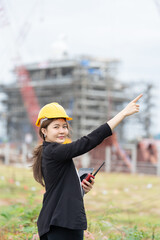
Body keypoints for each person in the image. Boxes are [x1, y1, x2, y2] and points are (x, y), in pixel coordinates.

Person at [32, 94, 142, 240]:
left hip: (55, 222)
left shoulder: (50, 152)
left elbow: (60, 188)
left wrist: (80, 190)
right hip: (63, 224)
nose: (62, 131)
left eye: (64, 126)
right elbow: (88, 141)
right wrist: (122, 114)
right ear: (44, 131)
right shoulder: (54, 151)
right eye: (56, 127)